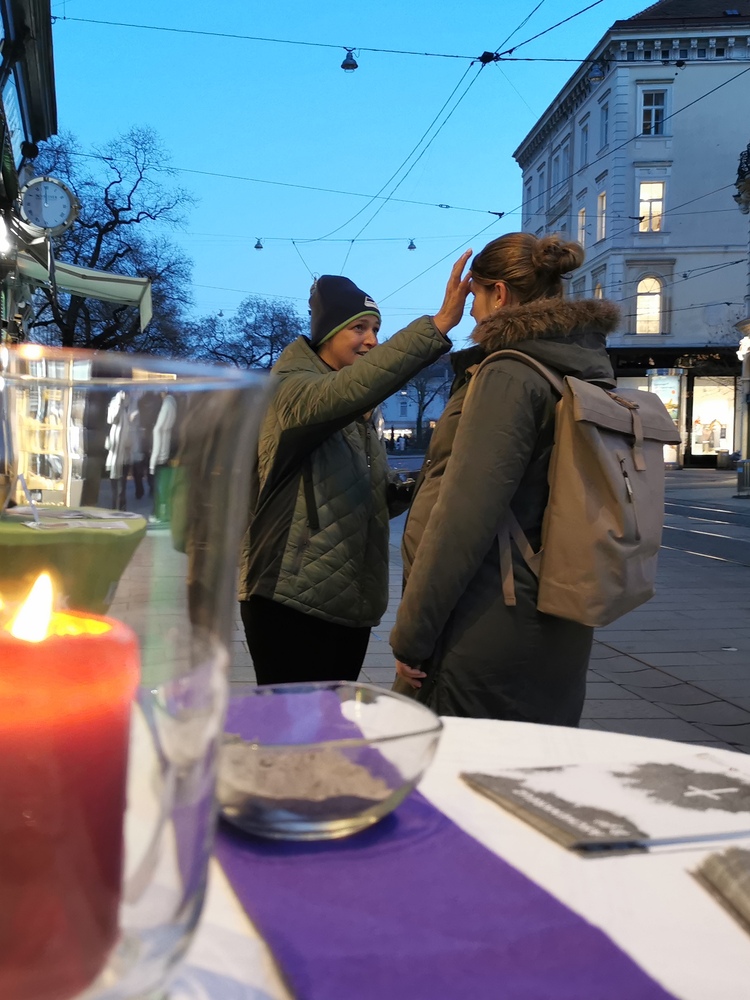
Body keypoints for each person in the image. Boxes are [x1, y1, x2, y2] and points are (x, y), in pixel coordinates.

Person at [390, 233, 619, 725]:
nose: (471, 311)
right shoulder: (575, 364)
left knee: (460, 763)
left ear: (499, 293)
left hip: (488, 618)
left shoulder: (510, 375)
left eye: (474, 295)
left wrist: (411, 636)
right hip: (555, 609)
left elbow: (462, 521)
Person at [238, 255, 470, 685]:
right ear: (326, 332)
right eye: (359, 328)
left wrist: (421, 482)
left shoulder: (360, 411)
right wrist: (437, 327)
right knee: (293, 723)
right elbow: (348, 389)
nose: (371, 340)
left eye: (376, 329)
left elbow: (367, 493)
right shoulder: (292, 389)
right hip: (288, 595)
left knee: (331, 718)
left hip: (350, 598)